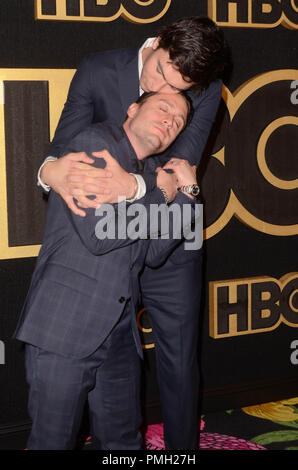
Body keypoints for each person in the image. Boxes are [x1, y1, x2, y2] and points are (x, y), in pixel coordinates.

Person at [37, 17, 228, 449]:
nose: (164, 90)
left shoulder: (206, 88)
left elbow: (178, 171)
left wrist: (137, 186)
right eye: (160, 71)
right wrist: (47, 171)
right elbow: (64, 150)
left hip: (167, 241)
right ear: (157, 42)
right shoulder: (98, 68)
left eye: (179, 89)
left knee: (178, 363)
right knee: (94, 371)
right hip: (101, 247)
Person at [14, 91, 201, 450]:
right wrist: (160, 196)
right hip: (66, 327)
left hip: (118, 334)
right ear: (132, 108)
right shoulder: (94, 144)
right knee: (53, 442)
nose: (170, 120)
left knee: (124, 443)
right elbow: (99, 235)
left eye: (178, 121)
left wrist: (190, 195)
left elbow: (154, 253)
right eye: (164, 108)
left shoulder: (149, 173)